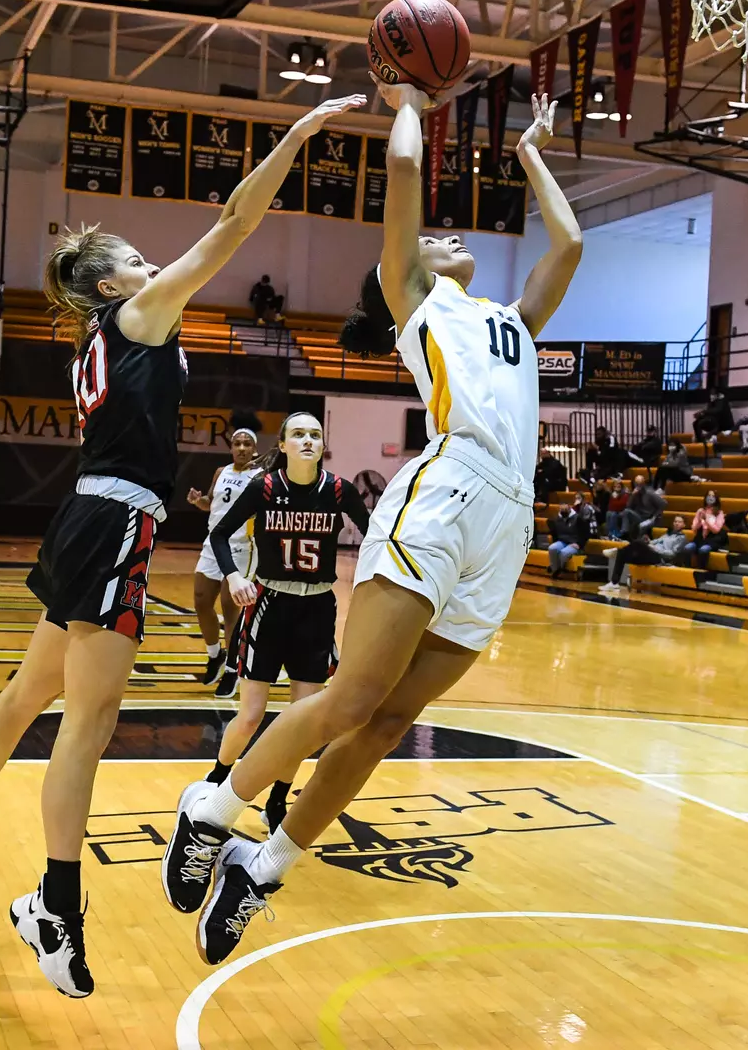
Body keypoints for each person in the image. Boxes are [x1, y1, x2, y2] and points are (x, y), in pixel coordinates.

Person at [0, 91, 365, 998]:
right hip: (116, 520)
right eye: (135, 259)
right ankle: (55, 905)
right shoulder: (139, 316)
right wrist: (299, 136)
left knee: (31, 688)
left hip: (89, 514)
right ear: (112, 285)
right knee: (87, 724)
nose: (153, 263)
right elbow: (234, 224)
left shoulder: (102, 335)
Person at [163, 87, 582, 967]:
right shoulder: (419, 302)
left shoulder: (506, 323)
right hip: (448, 492)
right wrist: (407, 98)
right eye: (435, 240)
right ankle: (210, 813)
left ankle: (262, 866)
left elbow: (570, 244)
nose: (449, 239)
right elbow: (400, 167)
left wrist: (532, 153)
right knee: (349, 698)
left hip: (507, 525)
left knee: (390, 724)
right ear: (409, 273)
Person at [202, 412, 370, 829]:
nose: (308, 440)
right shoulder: (265, 487)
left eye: (315, 434)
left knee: (302, 720)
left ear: (322, 444)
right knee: (251, 715)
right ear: (283, 444)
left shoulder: (338, 491)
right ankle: (218, 778)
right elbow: (220, 534)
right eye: (299, 434)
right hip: (269, 606)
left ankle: (277, 799)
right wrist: (235, 575)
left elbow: (377, 537)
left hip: (316, 611)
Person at [186, 416, 262, 697]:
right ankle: (214, 654)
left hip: (242, 546)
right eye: (237, 443)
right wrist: (198, 502)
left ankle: (233, 669)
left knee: (232, 609)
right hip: (212, 544)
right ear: (231, 448)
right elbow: (211, 503)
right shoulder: (220, 472)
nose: (241, 448)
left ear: (254, 449)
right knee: (201, 600)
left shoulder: (260, 477)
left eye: (247, 444)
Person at [598, 514, 689, 593]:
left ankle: (616, 550)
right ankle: (614, 583)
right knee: (623, 553)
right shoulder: (667, 534)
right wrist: (649, 542)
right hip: (650, 554)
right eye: (675, 521)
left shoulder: (682, 539)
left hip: (660, 559)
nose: (676, 523)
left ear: (684, 525)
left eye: (679, 522)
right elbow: (655, 541)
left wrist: (654, 548)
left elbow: (672, 554)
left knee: (638, 543)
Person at [617, 474, 665, 540]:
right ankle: (624, 534)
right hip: (639, 515)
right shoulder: (635, 493)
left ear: (643, 483)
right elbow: (628, 506)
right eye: (636, 484)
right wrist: (632, 495)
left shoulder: (649, 493)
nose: (638, 486)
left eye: (640, 484)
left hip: (648, 517)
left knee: (626, 512)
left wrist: (654, 516)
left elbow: (663, 504)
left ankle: (625, 535)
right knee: (622, 513)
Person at [546, 503, 589, 576]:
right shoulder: (558, 519)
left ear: (569, 509)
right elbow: (555, 533)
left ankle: (557, 568)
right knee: (552, 548)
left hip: (574, 543)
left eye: (565, 510)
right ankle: (555, 568)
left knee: (564, 553)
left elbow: (585, 533)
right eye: (562, 510)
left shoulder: (578, 518)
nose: (563, 511)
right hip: (562, 541)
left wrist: (579, 544)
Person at [687, 491, 728, 568]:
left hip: (712, 540)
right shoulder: (700, 510)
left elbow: (716, 530)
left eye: (713, 496)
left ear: (716, 499)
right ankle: (687, 569)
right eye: (709, 495)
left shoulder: (719, 513)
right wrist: (699, 519)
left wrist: (706, 520)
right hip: (699, 539)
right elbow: (694, 529)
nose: (710, 498)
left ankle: (701, 570)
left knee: (703, 550)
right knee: (688, 547)